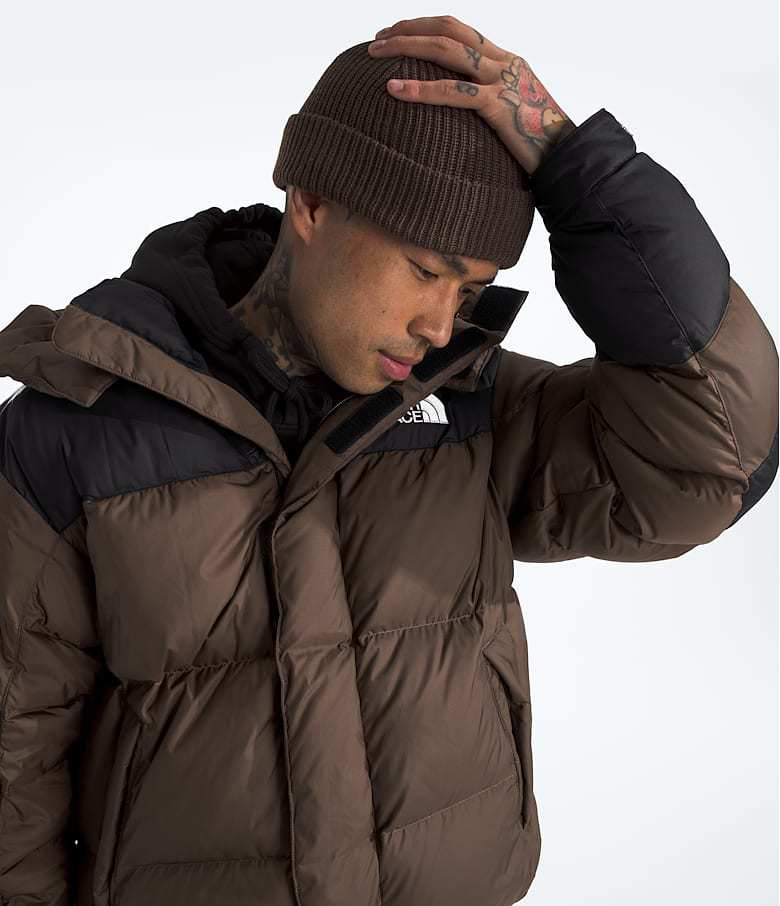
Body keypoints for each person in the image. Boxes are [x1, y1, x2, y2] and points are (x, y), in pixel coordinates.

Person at [0, 18, 777, 906]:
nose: (440, 326)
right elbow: (12, 759)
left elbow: (712, 459)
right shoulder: (77, 429)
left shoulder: (470, 408)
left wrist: (581, 171)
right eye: (425, 270)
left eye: (471, 290)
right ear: (313, 203)